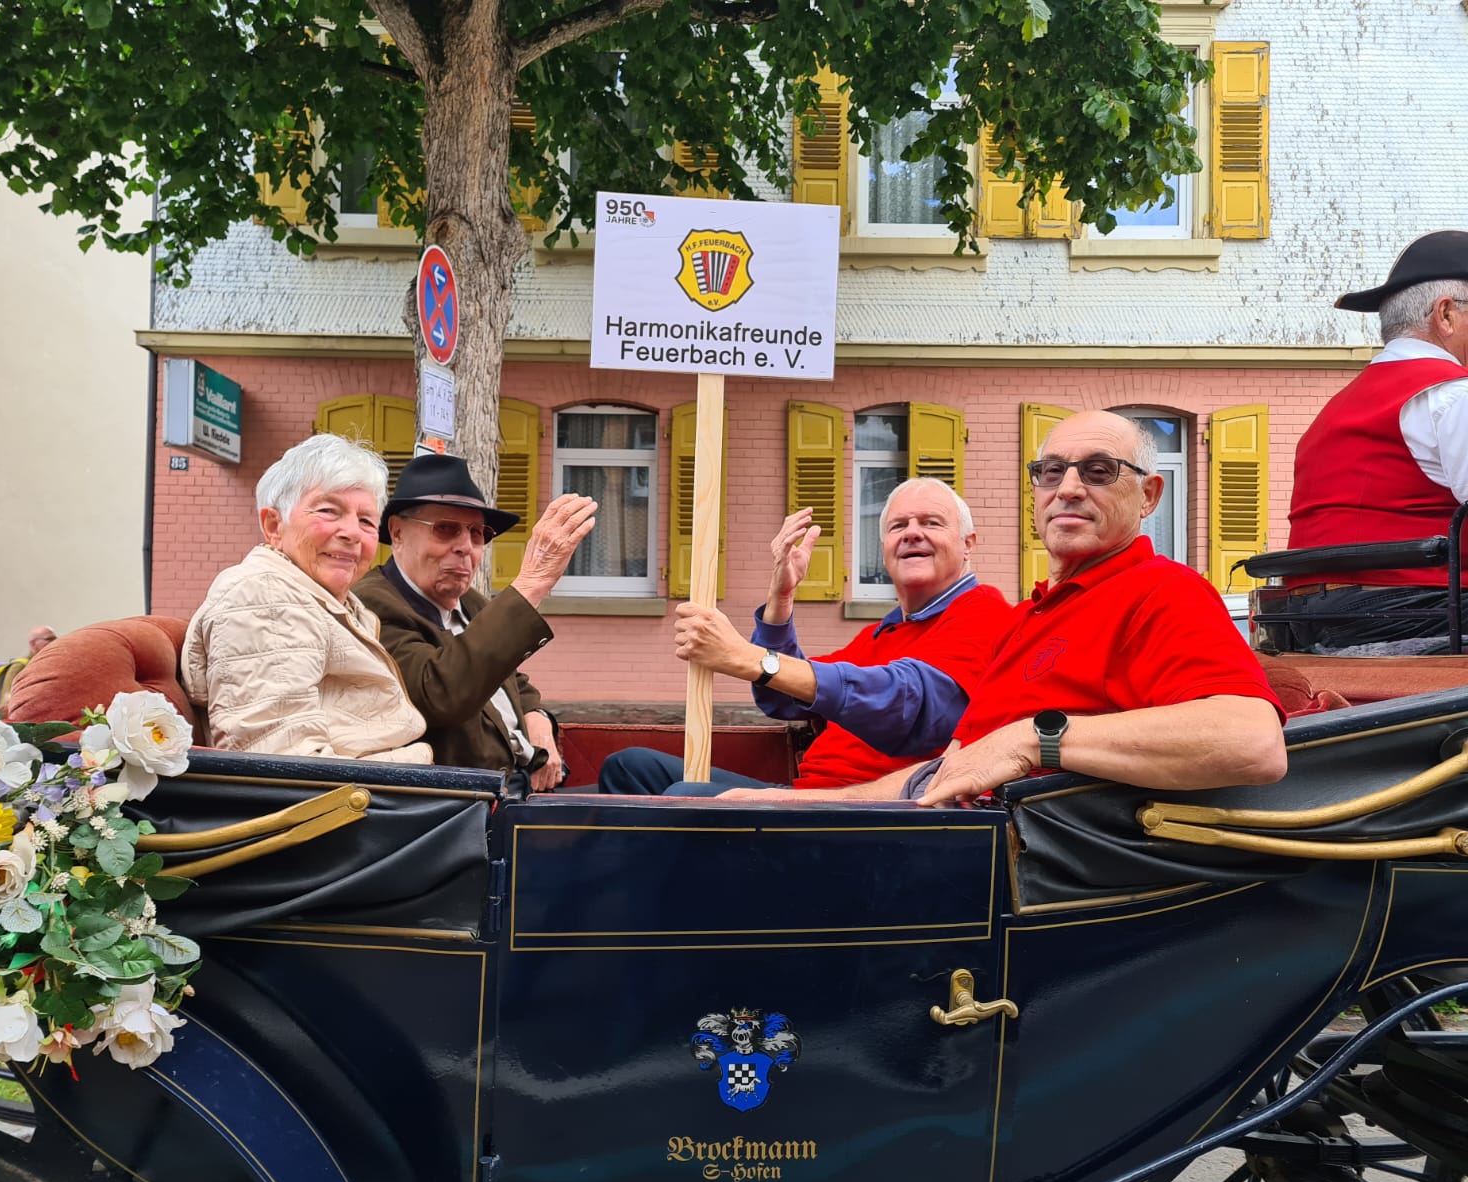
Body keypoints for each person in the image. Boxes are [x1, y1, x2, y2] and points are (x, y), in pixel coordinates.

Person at [723, 411, 1287, 806]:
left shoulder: (1162, 589)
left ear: (1149, 496)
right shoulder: (1028, 618)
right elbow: (946, 773)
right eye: (1050, 472)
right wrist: (814, 807)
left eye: (1098, 471)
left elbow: (1252, 742)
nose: (1067, 488)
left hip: (996, 880)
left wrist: (1030, 739)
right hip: (922, 835)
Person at [597, 477, 1013, 795]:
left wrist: (750, 658)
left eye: (931, 523)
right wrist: (781, 600)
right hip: (806, 797)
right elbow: (783, 696)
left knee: (683, 797)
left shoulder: (983, 611)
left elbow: (910, 705)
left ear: (967, 544)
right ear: (884, 546)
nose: (912, 533)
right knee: (630, 767)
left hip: (871, 811)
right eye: (898, 525)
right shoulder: (880, 634)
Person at [352, 454, 597, 789]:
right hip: (468, 807)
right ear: (397, 533)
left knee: (632, 774)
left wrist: (538, 718)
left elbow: (511, 678)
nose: (465, 547)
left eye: (478, 533)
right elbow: (439, 693)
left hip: (527, 788)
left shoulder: (470, 602)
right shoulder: (372, 605)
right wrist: (532, 583)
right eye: (446, 529)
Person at [182, 434, 432, 762]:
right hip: (365, 805)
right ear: (274, 525)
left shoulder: (330, 602)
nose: (352, 533)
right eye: (329, 511)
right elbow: (280, 764)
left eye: (366, 521)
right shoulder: (266, 597)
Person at [1282, 230, 1468, 652]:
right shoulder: (1456, 393)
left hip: (1309, 613)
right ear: (1446, 314)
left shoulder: (1338, 406)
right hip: (1409, 609)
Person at [0, 625, 58, 710]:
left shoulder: (39, 664)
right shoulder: (20, 666)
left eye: (56, 639)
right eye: (50, 639)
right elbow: (6, 699)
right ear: (33, 644)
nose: (55, 642)